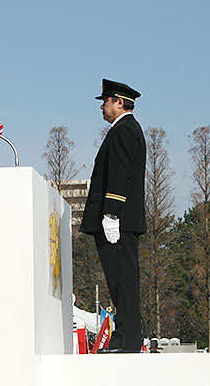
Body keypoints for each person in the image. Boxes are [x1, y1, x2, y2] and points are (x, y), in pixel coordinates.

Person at [80, 79, 146, 353]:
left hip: (117, 220)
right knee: (122, 282)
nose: (102, 107)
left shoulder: (124, 130)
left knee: (123, 282)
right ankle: (127, 340)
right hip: (119, 218)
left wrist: (111, 214)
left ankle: (126, 341)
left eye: (105, 102)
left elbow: (121, 174)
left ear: (119, 102)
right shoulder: (125, 130)